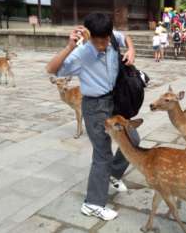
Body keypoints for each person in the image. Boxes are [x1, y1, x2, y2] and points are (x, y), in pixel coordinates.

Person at [46, 13, 138, 221]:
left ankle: (112, 174)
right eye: (98, 42)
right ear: (88, 35)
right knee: (102, 153)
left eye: (105, 40)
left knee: (133, 139)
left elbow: (125, 37)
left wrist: (131, 50)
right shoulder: (81, 53)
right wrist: (70, 46)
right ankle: (93, 204)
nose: (103, 45)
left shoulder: (111, 36)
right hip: (95, 106)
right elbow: (50, 69)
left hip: (114, 101)